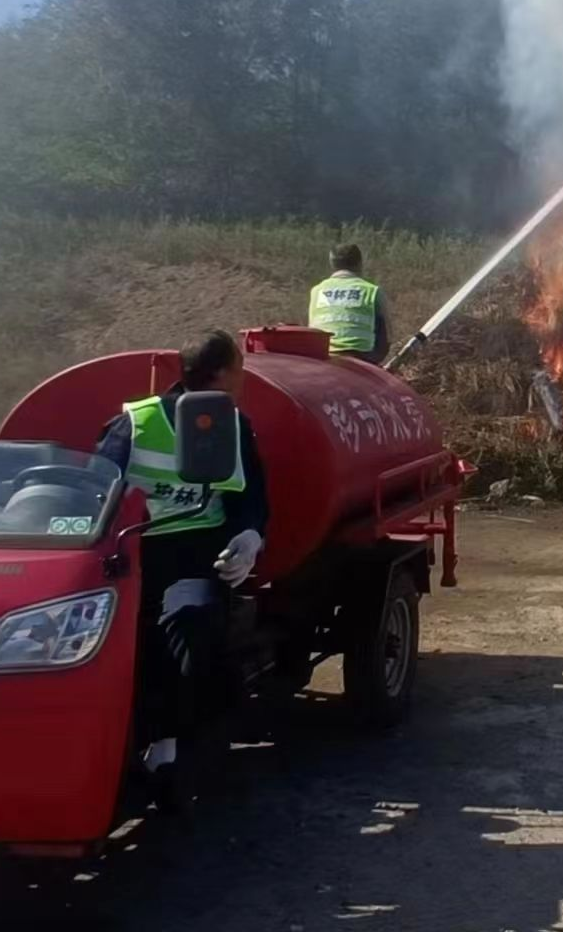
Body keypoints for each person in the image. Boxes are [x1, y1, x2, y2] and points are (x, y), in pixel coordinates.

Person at [96, 329, 269, 809]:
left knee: (191, 620)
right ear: (221, 374)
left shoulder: (235, 427)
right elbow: (98, 491)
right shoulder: (134, 424)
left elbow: (249, 497)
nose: (243, 378)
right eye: (239, 367)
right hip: (132, 554)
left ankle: (176, 740)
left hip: (197, 555)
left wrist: (249, 537)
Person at [309, 243, 389, 364]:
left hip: (323, 355)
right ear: (360, 263)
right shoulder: (371, 290)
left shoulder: (317, 291)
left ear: (332, 264)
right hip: (362, 357)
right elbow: (388, 336)